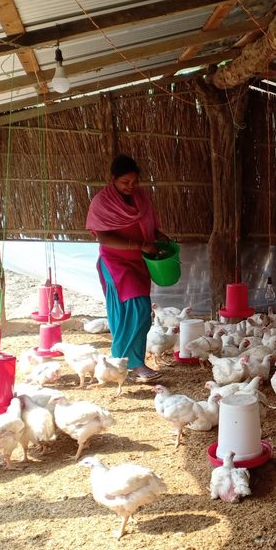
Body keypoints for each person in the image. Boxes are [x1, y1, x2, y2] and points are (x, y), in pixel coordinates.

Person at [86, 154, 171, 383]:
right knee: (136, 309)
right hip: (115, 263)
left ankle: (123, 362)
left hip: (139, 262)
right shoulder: (102, 202)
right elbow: (103, 237)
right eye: (125, 182)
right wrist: (140, 245)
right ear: (112, 179)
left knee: (139, 312)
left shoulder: (140, 197)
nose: (131, 187)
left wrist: (159, 238)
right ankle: (132, 363)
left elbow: (149, 225)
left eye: (134, 182)